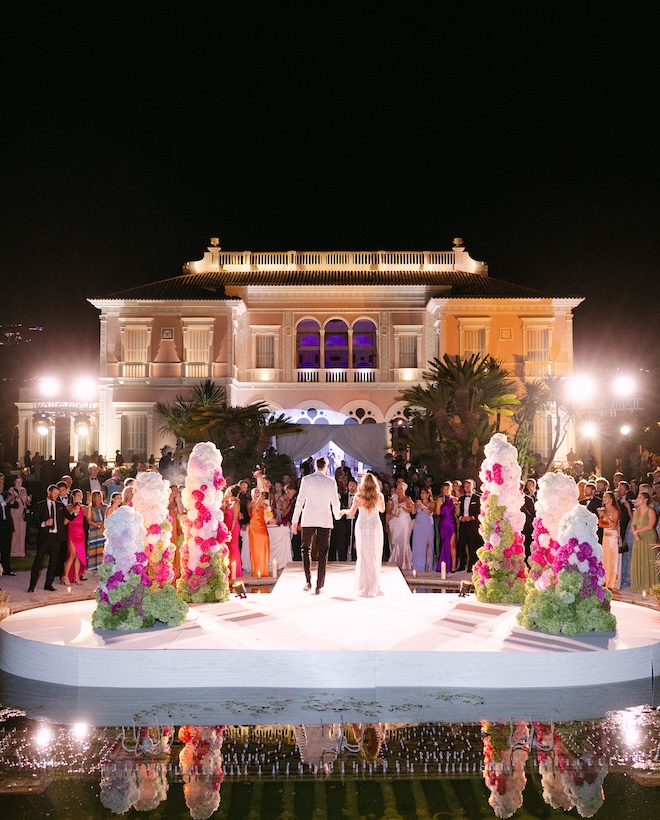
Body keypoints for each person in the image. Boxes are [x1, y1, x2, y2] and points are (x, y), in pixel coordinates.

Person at [291, 456, 341, 594]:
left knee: (305, 549)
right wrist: (337, 515)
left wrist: (295, 521)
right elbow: (335, 502)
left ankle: (308, 581)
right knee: (323, 552)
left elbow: (299, 501)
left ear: (315, 466)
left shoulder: (307, 480)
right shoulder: (331, 482)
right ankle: (319, 585)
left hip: (309, 518)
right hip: (324, 519)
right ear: (325, 466)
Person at [341, 472, 385, 597]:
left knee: (363, 554)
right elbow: (382, 510)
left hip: (362, 527)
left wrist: (343, 511)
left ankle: (364, 584)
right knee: (374, 554)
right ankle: (373, 585)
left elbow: (351, 512)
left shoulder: (358, 496)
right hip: (374, 527)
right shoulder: (379, 496)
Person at [28, 484, 75, 592]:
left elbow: (69, 517)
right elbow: (34, 521)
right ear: (49, 492)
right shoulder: (40, 505)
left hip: (56, 538)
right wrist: (44, 523)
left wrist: (75, 511)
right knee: (38, 560)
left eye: (57, 494)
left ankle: (48, 584)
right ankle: (31, 585)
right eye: (54, 493)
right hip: (45, 537)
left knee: (53, 562)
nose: (56, 496)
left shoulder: (60, 505)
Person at [630, 491, 658, 594]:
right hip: (638, 537)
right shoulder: (636, 511)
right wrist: (635, 533)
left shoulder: (651, 511)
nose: (638, 499)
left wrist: (638, 531)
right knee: (639, 559)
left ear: (645, 499)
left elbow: (650, 526)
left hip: (648, 537)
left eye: (640, 497)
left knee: (649, 560)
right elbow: (633, 524)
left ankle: (651, 586)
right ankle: (640, 585)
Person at [456, 479, 482, 572]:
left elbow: (481, 512)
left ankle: (472, 565)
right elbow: (458, 513)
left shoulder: (478, 498)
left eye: (468, 486)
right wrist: (460, 518)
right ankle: (462, 564)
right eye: (465, 486)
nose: (466, 488)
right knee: (461, 544)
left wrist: (472, 517)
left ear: (473, 487)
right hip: (463, 524)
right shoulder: (461, 499)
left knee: (472, 544)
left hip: (473, 524)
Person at [386, 482, 413, 569]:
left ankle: (405, 562)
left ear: (404, 489)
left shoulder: (407, 498)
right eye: (398, 488)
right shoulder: (394, 498)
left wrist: (402, 507)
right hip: (396, 522)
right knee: (396, 541)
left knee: (404, 541)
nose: (399, 490)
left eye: (401, 488)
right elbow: (390, 510)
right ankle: (395, 561)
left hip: (405, 522)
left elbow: (411, 510)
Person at [597, 491, 621, 590]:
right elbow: (600, 524)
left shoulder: (615, 511)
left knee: (612, 559)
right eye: (603, 497)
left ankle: (612, 581)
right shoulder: (602, 510)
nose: (604, 498)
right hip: (605, 537)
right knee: (605, 558)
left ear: (611, 499)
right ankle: (605, 580)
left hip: (613, 538)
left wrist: (605, 516)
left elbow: (614, 525)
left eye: (606, 497)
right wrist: (603, 517)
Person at [63, 489, 87, 584]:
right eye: (77, 495)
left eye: (81, 496)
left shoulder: (84, 508)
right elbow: (65, 522)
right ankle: (65, 577)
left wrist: (89, 504)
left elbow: (89, 518)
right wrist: (73, 512)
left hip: (81, 533)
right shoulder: (69, 507)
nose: (79, 497)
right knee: (72, 555)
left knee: (78, 556)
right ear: (73, 496)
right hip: (73, 533)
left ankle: (76, 576)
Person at [247, 487, 270, 578]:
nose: (257, 493)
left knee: (264, 546)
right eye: (255, 492)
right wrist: (259, 500)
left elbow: (269, 514)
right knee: (255, 548)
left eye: (258, 491)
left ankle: (264, 569)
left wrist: (269, 511)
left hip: (262, 526)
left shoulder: (263, 504)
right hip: (254, 527)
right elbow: (252, 511)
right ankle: (256, 570)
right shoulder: (250, 504)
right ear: (251, 494)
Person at [411, 488, 435, 572]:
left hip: (427, 524)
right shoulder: (418, 502)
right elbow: (413, 512)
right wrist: (414, 505)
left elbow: (429, 511)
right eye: (421, 493)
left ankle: (428, 565)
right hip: (418, 525)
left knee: (428, 545)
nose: (422, 494)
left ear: (428, 494)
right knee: (418, 545)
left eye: (424, 493)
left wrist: (421, 505)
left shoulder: (432, 503)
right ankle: (419, 565)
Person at [435, 481, 457, 573]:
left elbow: (457, 513)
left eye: (447, 488)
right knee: (444, 543)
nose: (445, 490)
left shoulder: (454, 499)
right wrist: (438, 504)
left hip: (451, 523)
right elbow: (437, 513)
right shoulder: (440, 500)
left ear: (451, 489)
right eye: (444, 489)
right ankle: (443, 564)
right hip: (443, 524)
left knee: (452, 544)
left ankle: (453, 565)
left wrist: (458, 506)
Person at [0, 474, 18, 576]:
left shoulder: (6, 494)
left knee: (6, 547)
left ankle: (7, 569)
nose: (1, 485)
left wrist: (12, 500)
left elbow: (15, 505)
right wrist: (6, 502)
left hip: (6, 525)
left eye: (2, 482)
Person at [223, 485, 243, 578]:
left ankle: (236, 570)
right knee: (228, 548)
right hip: (227, 526)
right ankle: (229, 569)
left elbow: (235, 519)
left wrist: (231, 530)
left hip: (233, 527)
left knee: (234, 547)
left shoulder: (236, 503)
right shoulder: (228, 503)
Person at [10, 474, 31, 559]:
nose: (18, 483)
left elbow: (25, 502)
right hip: (14, 512)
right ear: (14, 482)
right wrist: (17, 496)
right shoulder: (11, 490)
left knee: (22, 532)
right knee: (15, 532)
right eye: (17, 482)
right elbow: (11, 500)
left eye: (20, 482)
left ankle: (21, 551)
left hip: (22, 512)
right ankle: (13, 551)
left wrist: (28, 501)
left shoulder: (24, 490)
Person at [86, 490, 107, 572]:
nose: (99, 498)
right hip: (95, 531)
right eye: (97, 496)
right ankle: (94, 568)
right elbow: (89, 520)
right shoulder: (91, 508)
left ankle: (104, 566)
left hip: (104, 529)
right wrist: (98, 526)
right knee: (95, 548)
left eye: (100, 496)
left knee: (103, 548)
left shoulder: (105, 507)